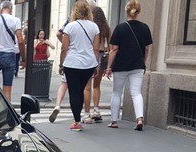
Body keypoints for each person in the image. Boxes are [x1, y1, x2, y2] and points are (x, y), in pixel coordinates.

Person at [105, 0, 153, 131]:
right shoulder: (145, 27)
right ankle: (139, 118)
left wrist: (109, 67)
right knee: (136, 93)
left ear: (127, 11)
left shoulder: (120, 27)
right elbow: (147, 48)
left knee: (116, 93)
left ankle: (114, 121)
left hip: (120, 66)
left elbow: (114, 49)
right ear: (138, 11)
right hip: (137, 65)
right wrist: (143, 62)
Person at [59, 1, 100, 131]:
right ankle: (79, 118)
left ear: (75, 10)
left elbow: (64, 48)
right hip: (88, 64)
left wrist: (61, 64)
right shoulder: (94, 27)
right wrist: (96, 65)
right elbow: (96, 49)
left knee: (74, 92)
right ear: (88, 11)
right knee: (81, 90)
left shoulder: (70, 27)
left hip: (72, 63)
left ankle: (77, 121)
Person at [82, 5, 110, 123]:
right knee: (97, 86)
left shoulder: (90, 27)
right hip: (102, 56)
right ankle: (96, 110)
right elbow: (110, 44)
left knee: (87, 87)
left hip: (91, 56)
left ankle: (87, 114)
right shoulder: (106, 28)